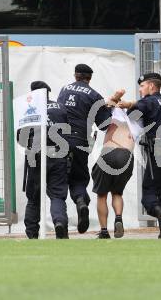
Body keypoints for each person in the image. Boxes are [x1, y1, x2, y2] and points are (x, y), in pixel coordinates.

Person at [118, 73, 161, 238]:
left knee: (148, 194)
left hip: (158, 148)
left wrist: (128, 105)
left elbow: (133, 115)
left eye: (142, 86)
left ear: (152, 86)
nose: (140, 89)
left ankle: (159, 212)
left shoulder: (149, 101)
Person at [57, 64, 114, 234]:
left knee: (58, 181)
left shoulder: (64, 90)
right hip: (80, 141)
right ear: (90, 78)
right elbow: (104, 125)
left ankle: (61, 222)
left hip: (60, 141)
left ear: (75, 75)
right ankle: (81, 201)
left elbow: (59, 111)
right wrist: (108, 109)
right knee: (79, 178)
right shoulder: (94, 95)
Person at [18, 81, 70, 239]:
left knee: (33, 198)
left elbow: (20, 138)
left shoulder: (27, 110)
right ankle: (59, 223)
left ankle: (32, 232)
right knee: (57, 195)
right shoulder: (60, 108)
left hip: (36, 156)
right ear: (48, 92)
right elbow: (67, 132)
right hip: (58, 154)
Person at [92, 94, 137, 239]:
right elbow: (145, 102)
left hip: (108, 152)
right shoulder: (136, 121)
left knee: (102, 194)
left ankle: (104, 231)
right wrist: (128, 103)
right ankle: (118, 218)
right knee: (117, 193)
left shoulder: (110, 117)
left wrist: (113, 100)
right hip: (127, 154)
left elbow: (102, 106)